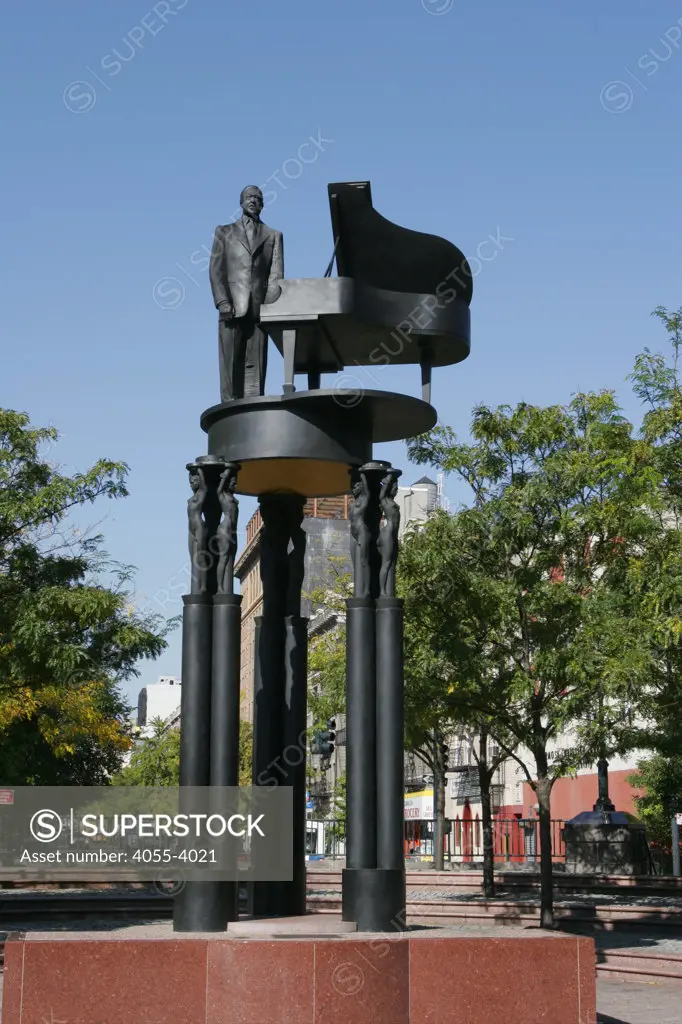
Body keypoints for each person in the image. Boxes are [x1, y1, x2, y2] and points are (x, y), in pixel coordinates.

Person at [209, 186, 283, 401]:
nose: (253, 201)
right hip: (231, 306)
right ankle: (229, 405)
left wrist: (269, 306)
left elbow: (275, 274)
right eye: (249, 197)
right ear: (241, 202)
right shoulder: (224, 232)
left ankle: (253, 405)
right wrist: (223, 301)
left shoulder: (273, 235)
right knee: (230, 361)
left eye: (258, 198)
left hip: (259, 308)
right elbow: (216, 270)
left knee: (257, 364)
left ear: (263, 204)